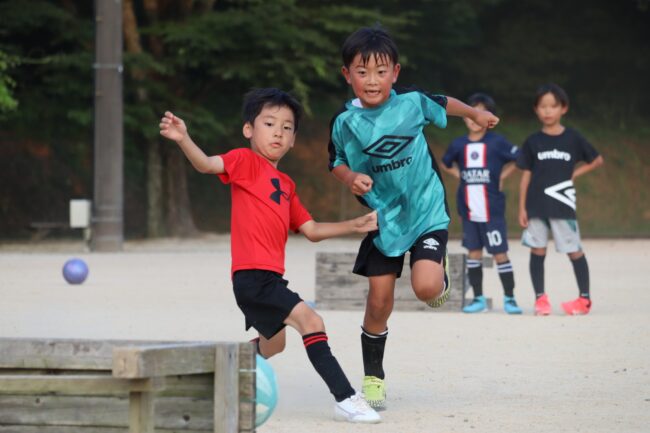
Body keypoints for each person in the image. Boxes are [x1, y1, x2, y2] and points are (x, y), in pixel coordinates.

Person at [159, 88, 381, 423]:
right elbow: (206, 164)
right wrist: (183, 138)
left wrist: (354, 225)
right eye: (269, 123)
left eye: (286, 127)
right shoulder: (244, 161)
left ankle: (223, 368)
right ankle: (346, 398)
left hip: (268, 279)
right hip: (253, 276)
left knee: (274, 345)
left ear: (293, 140)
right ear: (249, 129)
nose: (278, 132)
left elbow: (311, 230)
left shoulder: (287, 185)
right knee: (311, 322)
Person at [326, 26, 500, 409]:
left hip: (426, 209)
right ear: (347, 75)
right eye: (362, 72)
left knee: (425, 288)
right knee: (378, 301)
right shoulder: (344, 122)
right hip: (384, 219)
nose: (372, 81)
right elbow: (335, 161)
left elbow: (444, 102)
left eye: (381, 72)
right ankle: (373, 378)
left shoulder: (411, 103)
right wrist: (350, 177)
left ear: (395, 73)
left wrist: (474, 113)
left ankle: (438, 274)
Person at [517, 83, 604, 316]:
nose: (548, 111)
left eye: (553, 106)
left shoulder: (573, 138)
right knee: (537, 250)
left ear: (563, 108)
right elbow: (525, 177)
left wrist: (574, 173)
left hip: (562, 205)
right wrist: (522, 207)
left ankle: (584, 299)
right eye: (543, 106)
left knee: (574, 250)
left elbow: (596, 160)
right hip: (536, 205)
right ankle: (540, 299)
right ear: (536, 109)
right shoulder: (533, 141)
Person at [441, 93, 522, 315]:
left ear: (489, 119)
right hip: (468, 210)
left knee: (500, 254)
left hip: (492, 211)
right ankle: (478, 299)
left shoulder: (497, 143)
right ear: (465, 117)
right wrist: (459, 175)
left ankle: (510, 299)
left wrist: (503, 175)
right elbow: (446, 163)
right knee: (474, 254)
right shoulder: (459, 144)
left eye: (481, 113)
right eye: (471, 114)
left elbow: (520, 157)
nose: (475, 119)